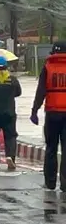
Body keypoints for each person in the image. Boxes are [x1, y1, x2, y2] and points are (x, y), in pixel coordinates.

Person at [31, 42, 66, 190]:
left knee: (51, 148)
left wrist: (34, 111)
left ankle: (50, 182)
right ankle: (65, 184)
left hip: (52, 114)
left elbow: (41, 92)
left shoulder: (47, 67)